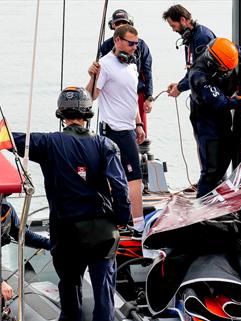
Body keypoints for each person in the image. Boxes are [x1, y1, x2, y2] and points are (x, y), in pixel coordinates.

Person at [0, 87, 131, 321]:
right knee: (104, 296)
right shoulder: (106, 145)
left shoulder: (48, 143)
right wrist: (122, 219)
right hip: (102, 232)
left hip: (67, 232)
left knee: (70, 285)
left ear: (62, 114)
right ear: (88, 114)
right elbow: (120, 189)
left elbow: (10, 139)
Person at [187, 37, 241, 196]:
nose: (229, 71)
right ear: (215, 63)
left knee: (224, 164)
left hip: (223, 119)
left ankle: (218, 201)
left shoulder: (227, 52)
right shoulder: (199, 76)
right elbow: (221, 102)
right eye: (225, 69)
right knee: (211, 170)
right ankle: (203, 206)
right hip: (206, 121)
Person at [87, 24, 146, 232]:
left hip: (129, 128)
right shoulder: (105, 65)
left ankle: (127, 221)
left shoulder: (131, 64)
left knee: (123, 177)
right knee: (132, 177)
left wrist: (138, 123)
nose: (134, 48)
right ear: (117, 41)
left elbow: (131, 98)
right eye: (130, 43)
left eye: (136, 44)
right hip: (114, 130)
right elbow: (91, 96)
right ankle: (137, 225)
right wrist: (92, 76)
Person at [98, 9, 154, 144]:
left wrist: (149, 97)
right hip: (113, 95)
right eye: (118, 23)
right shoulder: (106, 46)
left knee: (139, 135)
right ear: (113, 26)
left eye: (124, 22)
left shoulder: (141, 45)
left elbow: (147, 72)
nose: (121, 25)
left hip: (136, 94)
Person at [162, 4, 216, 98]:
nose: (173, 30)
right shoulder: (189, 38)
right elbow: (192, 69)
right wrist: (179, 84)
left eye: (173, 26)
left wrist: (179, 88)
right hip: (200, 96)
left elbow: (201, 72)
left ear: (182, 20)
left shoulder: (202, 37)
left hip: (210, 97)